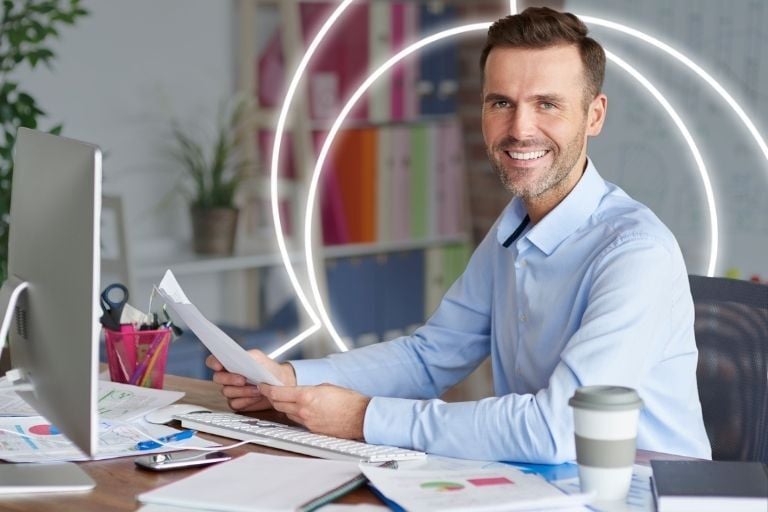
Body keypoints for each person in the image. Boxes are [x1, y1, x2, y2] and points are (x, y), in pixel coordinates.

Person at [206, 7, 712, 463]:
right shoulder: (514, 227)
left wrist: (364, 419)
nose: (520, 129)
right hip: (543, 486)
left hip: (643, 497)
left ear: (594, 115)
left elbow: (560, 428)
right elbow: (431, 357)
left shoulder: (634, 254)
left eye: (547, 105)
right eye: (501, 103)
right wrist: (291, 381)